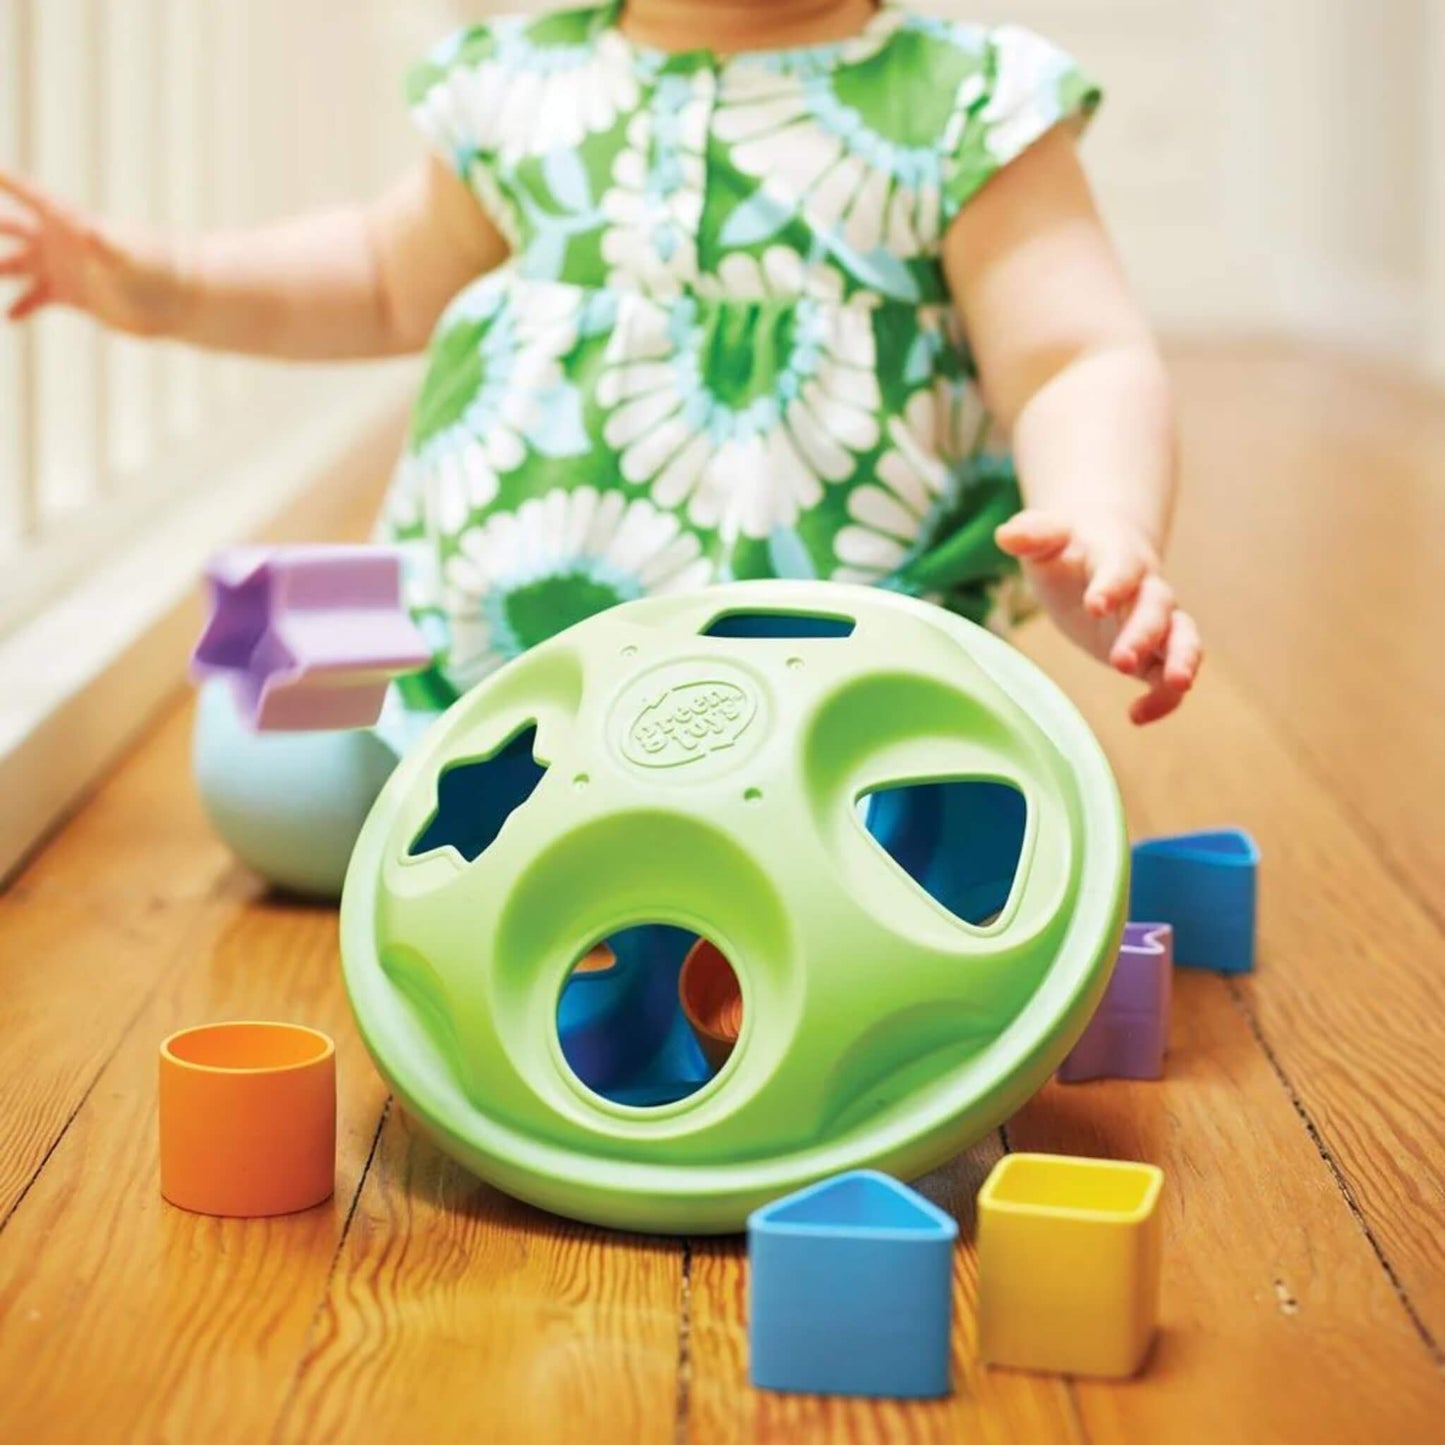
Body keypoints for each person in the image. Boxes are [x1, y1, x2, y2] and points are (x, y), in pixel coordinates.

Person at [0, 1, 1201, 889]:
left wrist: (1100, 518)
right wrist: (162, 283)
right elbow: (377, 280)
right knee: (276, 795)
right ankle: (449, 769)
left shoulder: (962, 104)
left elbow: (1071, 355)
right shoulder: (520, 88)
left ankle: (705, 853)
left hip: (814, 687)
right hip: (501, 667)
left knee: (914, 854)